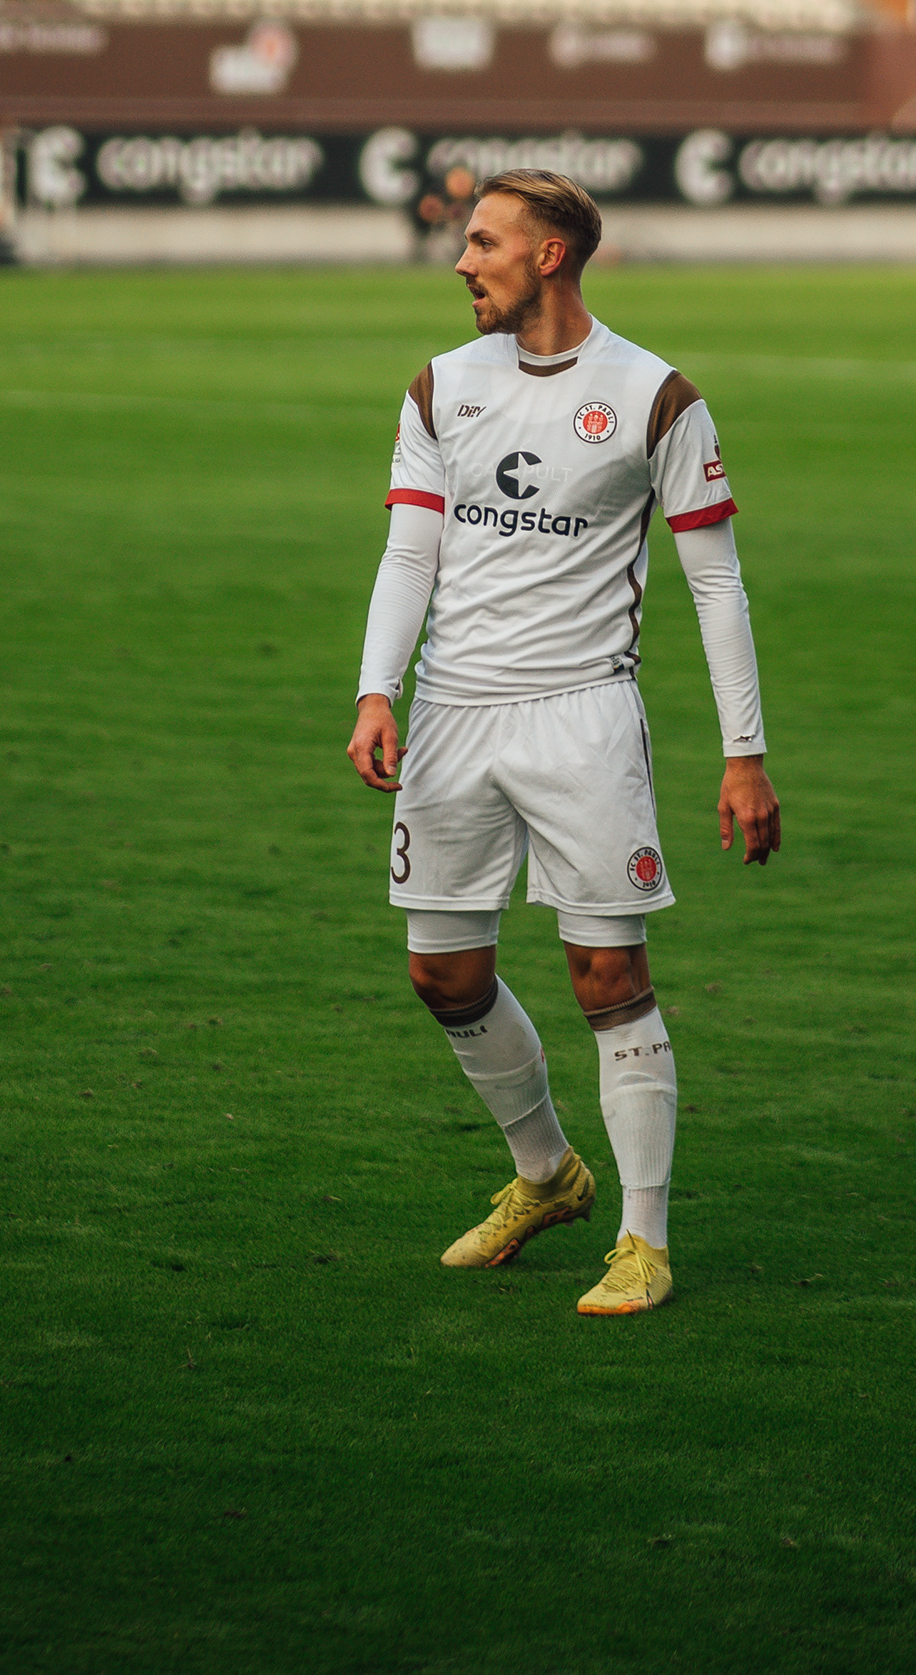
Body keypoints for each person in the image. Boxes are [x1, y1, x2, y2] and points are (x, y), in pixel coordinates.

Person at [347, 167, 780, 1319]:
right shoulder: (441, 386)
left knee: (609, 977)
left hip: (581, 715)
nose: (461, 261)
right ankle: (547, 1175)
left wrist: (744, 752)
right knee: (442, 974)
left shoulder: (655, 397)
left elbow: (717, 583)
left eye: (483, 242)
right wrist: (378, 691)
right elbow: (410, 552)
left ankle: (644, 1240)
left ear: (549, 255)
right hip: (451, 716)